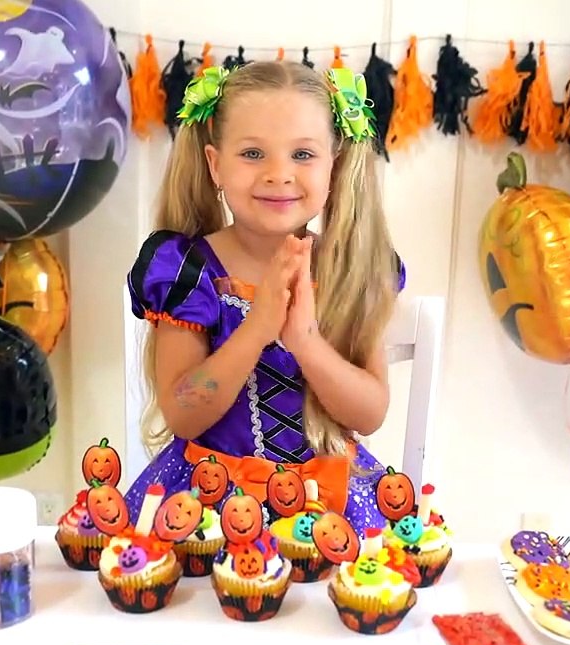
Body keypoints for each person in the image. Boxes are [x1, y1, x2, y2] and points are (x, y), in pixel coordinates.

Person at [122, 60, 405, 533]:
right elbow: (183, 414)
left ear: (334, 163)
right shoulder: (188, 272)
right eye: (253, 154)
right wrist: (256, 328)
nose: (279, 174)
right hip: (207, 504)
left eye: (303, 155)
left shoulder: (351, 269)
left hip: (328, 504)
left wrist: (305, 340)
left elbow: (369, 413)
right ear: (215, 164)